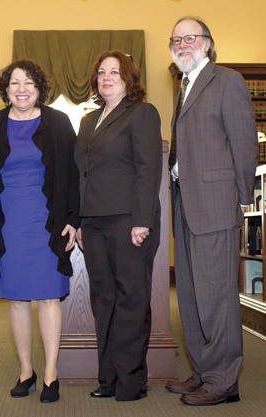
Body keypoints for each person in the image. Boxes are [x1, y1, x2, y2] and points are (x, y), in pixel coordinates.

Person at [165, 17, 258, 406]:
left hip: (216, 206)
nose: (182, 43)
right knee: (189, 294)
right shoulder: (184, 86)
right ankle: (203, 371)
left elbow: (244, 143)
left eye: (190, 37)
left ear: (207, 44)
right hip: (185, 204)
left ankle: (224, 381)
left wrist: (241, 198)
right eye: (176, 39)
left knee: (217, 296)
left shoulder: (228, 81)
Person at [0, 60, 79, 403]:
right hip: (8, 223)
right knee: (17, 298)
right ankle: (26, 371)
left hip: (47, 222)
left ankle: (51, 374)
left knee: (49, 296)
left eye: (29, 83)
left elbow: (73, 174)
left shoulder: (58, 123)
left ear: (40, 89)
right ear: (5, 89)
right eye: (15, 83)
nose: (22, 89)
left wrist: (73, 219)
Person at [75, 50, 162, 401]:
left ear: (128, 78)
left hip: (129, 221)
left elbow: (148, 169)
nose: (106, 77)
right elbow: (82, 174)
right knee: (103, 299)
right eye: (101, 72)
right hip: (92, 223)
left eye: (114, 71)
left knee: (132, 299)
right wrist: (79, 221)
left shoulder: (141, 113)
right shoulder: (87, 120)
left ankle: (131, 382)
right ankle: (107, 379)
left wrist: (142, 220)